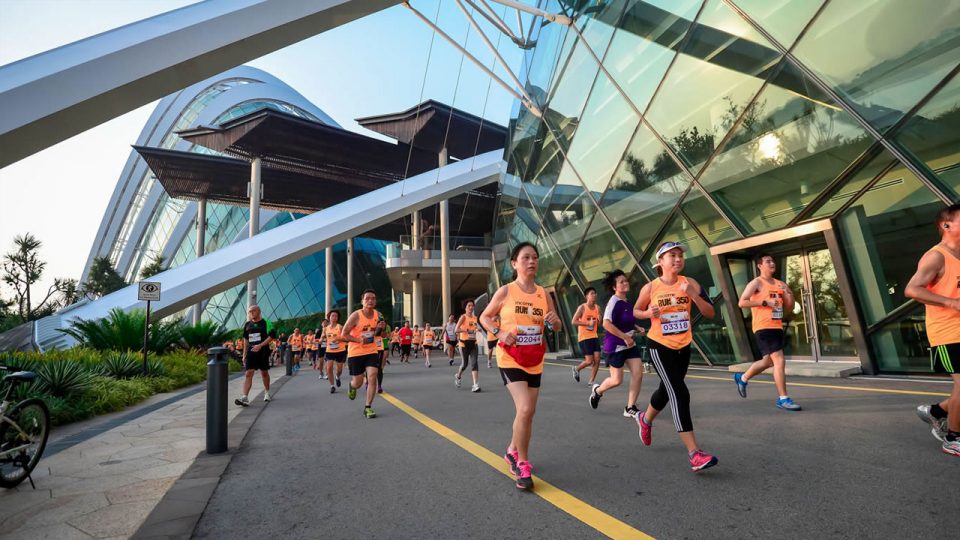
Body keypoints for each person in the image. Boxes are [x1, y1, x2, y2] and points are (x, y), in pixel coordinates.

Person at [480, 242, 560, 490]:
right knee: (524, 408)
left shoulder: (543, 294)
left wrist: (555, 321)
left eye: (535, 257)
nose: (531, 261)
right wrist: (499, 332)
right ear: (514, 263)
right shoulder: (506, 291)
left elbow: (556, 325)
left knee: (528, 412)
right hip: (510, 357)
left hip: (534, 357)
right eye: (525, 257)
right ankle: (522, 463)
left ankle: (512, 450)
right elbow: (484, 317)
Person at [633, 242, 718, 472]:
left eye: (680, 255)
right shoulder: (651, 288)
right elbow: (636, 311)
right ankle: (694, 453)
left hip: (683, 346)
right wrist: (647, 313)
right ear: (660, 261)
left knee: (666, 390)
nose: (678, 259)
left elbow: (710, 312)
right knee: (679, 393)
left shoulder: (690, 283)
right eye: (672, 255)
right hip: (659, 346)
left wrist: (693, 295)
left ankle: (645, 419)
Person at [906, 203, 960, 457]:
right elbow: (912, 289)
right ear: (946, 225)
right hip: (947, 332)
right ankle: (953, 438)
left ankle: (937, 411)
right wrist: (951, 302)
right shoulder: (936, 256)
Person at [733, 254, 800, 410]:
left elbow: (789, 307)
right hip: (763, 327)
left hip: (777, 326)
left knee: (767, 362)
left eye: (772, 261)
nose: (772, 263)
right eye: (767, 261)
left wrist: (788, 292)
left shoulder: (780, 284)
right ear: (760, 266)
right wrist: (765, 302)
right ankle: (783, 398)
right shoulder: (756, 283)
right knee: (779, 360)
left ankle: (743, 378)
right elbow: (742, 302)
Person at [588, 271, 646, 418]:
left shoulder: (626, 302)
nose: (625, 283)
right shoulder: (613, 302)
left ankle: (630, 407)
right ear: (614, 287)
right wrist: (625, 337)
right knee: (616, 380)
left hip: (629, 345)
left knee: (638, 373)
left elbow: (626, 321)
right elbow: (606, 323)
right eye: (621, 282)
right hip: (615, 346)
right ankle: (598, 391)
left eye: (626, 280)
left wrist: (637, 327)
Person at [341, 289, 383, 418]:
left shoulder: (378, 315)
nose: (370, 301)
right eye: (367, 298)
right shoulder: (356, 316)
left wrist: (380, 329)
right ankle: (352, 386)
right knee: (358, 382)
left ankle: (368, 407)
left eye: (373, 298)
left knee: (372, 376)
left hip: (371, 350)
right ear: (362, 301)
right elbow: (344, 334)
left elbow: (379, 334)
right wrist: (359, 340)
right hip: (356, 352)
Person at [235, 305, 277, 406]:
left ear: (259, 311)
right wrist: (244, 354)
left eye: (253, 311)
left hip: (263, 351)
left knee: (264, 373)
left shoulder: (266, 322)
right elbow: (246, 339)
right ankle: (245, 397)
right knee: (248, 373)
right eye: (250, 311)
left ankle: (267, 392)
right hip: (251, 352)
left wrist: (260, 345)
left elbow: (271, 336)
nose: (251, 313)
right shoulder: (247, 324)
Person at [572, 287, 602, 386]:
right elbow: (574, 321)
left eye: (595, 293)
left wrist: (599, 319)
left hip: (594, 336)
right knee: (589, 361)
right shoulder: (582, 307)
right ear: (587, 296)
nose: (594, 295)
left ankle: (591, 381)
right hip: (584, 337)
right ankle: (576, 369)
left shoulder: (598, 308)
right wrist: (587, 323)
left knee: (597, 359)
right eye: (592, 293)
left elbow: (599, 323)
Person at [455, 300, 481, 392]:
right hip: (464, 344)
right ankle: (458, 376)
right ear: (465, 307)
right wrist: (466, 330)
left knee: (474, 363)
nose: (471, 307)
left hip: (473, 343)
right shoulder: (463, 317)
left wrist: (477, 330)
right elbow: (456, 330)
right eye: (469, 305)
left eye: (472, 306)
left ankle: (475, 385)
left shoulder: (475, 318)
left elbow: (475, 328)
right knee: (464, 364)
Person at [323, 311, 346, 393]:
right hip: (330, 350)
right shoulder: (325, 329)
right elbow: (323, 337)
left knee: (339, 370)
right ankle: (332, 386)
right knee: (329, 368)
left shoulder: (340, 327)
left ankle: (337, 377)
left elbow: (345, 338)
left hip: (340, 350)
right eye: (332, 316)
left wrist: (337, 339)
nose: (334, 317)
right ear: (329, 317)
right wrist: (321, 339)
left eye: (336, 316)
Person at [376, 316, 390, 394]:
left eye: (383, 323)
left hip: (381, 347)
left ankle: (379, 386)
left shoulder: (386, 327)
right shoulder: (372, 327)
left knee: (379, 367)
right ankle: (368, 382)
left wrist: (383, 329)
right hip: (371, 350)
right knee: (371, 368)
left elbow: (386, 335)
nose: (381, 324)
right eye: (380, 322)